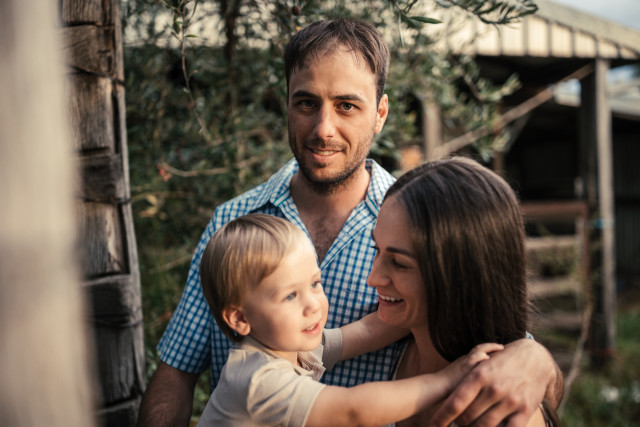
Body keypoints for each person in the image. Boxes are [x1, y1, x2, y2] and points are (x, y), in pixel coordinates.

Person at [137, 18, 563, 427]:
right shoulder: (233, 224)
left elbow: (491, 338)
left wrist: (536, 358)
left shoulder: (415, 223)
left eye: (346, 106)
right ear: (287, 104)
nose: (324, 128)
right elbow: (176, 370)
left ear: (380, 114)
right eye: (307, 103)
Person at [195, 213, 501, 426]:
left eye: (315, 284)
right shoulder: (258, 379)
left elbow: (366, 332)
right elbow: (354, 411)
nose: (313, 305)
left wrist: (428, 301)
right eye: (290, 296)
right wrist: (446, 379)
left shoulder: (291, 346)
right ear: (240, 318)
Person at [369, 157, 561, 426]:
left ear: (461, 274)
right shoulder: (383, 342)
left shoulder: (506, 409)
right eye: (376, 249)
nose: (372, 279)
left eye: (399, 263)